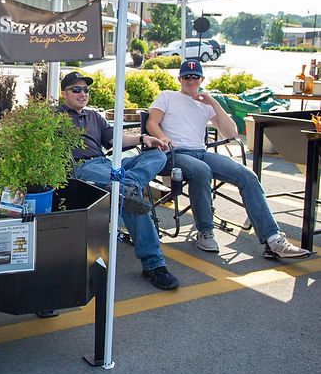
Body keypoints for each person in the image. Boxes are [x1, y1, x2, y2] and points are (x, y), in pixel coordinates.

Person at [146, 60, 310, 259]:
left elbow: (230, 133)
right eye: (186, 77)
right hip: (173, 154)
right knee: (201, 170)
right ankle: (205, 231)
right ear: (179, 79)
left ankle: (273, 239)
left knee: (247, 175)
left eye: (195, 77)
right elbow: (151, 123)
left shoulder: (205, 103)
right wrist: (164, 138)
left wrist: (213, 102)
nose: (191, 80)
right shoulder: (167, 96)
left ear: (202, 79)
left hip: (201, 153)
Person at [57, 71, 179, 290]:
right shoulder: (53, 116)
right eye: (76, 89)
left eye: (86, 89)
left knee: (157, 155)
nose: (82, 94)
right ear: (64, 93)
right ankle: (154, 265)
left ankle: (129, 185)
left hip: (108, 164)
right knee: (128, 198)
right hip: (82, 168)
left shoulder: (94, 116)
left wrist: (144, 138)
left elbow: (114, 139)